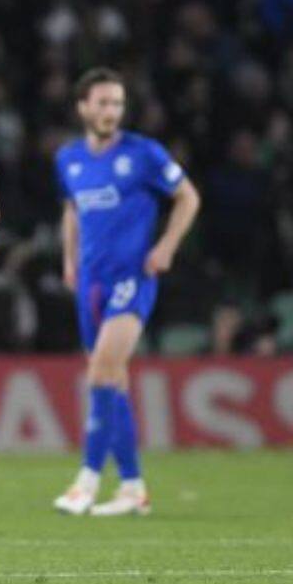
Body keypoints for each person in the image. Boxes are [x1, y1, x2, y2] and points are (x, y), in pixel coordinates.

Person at [52, 67, 199, 516]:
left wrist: (166, 247)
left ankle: (87, 481)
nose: (111, 111)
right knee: (112, 380)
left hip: (131, 278)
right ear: (83, 107)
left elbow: (188, 197)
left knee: (99, 373)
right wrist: (69, 259)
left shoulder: (144, 154)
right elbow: (72, 210)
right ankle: (133, 487)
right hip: (90, 283)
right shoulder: (69, 159)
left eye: (117, 103)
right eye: (103, 102)